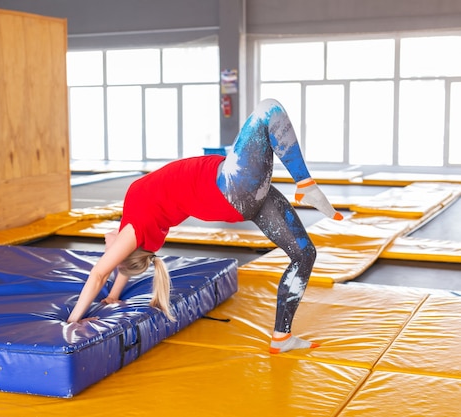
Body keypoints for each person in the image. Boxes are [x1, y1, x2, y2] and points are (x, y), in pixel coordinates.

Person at [67, 98, 343, 354]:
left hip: (237, 195)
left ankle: (282, 336)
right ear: (123, 251)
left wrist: (114, 295)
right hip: (227, 187)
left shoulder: (139, 236)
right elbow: (99, 274)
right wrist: (71, 321)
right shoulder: (136, 232)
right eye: (110, 255)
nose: (106, 248)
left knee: (304, 254)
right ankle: (305, 183)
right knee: (268, 110)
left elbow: (122, 266)